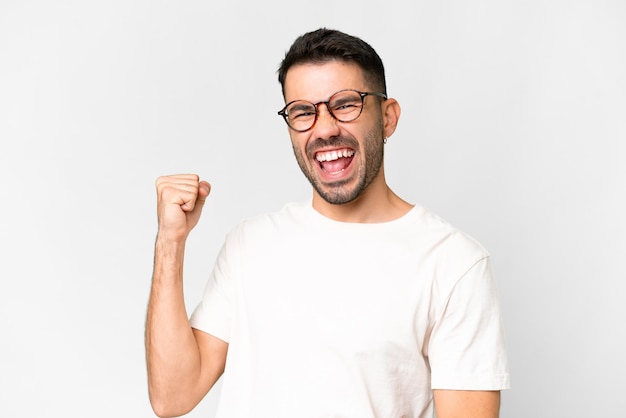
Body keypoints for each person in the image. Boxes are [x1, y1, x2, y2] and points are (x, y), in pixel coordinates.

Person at [145, 28, 510, 418]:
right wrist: (171, 240)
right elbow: (173, 397)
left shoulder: (454, 263)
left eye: (346, 104)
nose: (324, 128)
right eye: (303, 111)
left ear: (388, 118)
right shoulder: (248, 244)